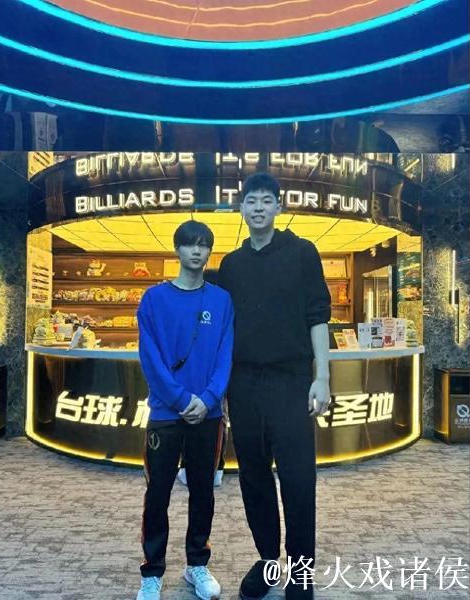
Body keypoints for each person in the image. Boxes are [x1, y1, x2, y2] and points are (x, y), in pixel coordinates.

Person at [217, 172, 332, 600]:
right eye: (251, 201)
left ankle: (300, 572)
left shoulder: (302, 253)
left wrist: (322, 377)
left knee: (299, 480)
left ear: (278, 207)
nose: (259, 207)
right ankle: (268, 562)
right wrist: (222, 389)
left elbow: (317, 317)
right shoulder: (231, 265)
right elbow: (225, 332)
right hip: (244, 384)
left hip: (291, 381)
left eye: (266, 200)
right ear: (241, 209)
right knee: (253, 480)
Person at [136, 220, 234, 600]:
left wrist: (207, 400)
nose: (197, 251)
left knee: (203, 493)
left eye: (203, 245)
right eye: (190, 244)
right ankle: (152, 572)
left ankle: (197, 564)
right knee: (157, 493)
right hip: (165, 413)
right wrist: (180, 400)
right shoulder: (154, 299)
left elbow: (225, 356)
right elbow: (150, 358)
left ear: (210, 251)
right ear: (177, 249)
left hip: (208, 416)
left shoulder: (221, 301)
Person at [177, 269, 228, 489]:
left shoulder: (195, 306)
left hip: (194, 379)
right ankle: (217, 468)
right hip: (219, 382)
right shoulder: (225, 307)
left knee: (191, 424)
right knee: (219, 424)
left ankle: (188, 467)